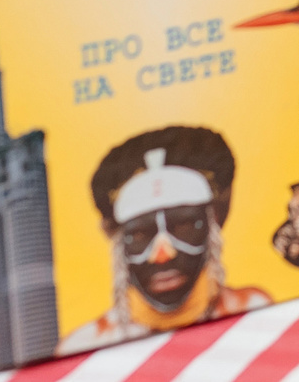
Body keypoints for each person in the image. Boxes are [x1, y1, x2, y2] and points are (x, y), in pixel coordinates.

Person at [57, 127, 271, 353]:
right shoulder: (87, 346)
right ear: (119, 245)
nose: (163, 253)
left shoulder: (254, 310)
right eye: (140, 235)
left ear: (212, 228)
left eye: (184, 227)